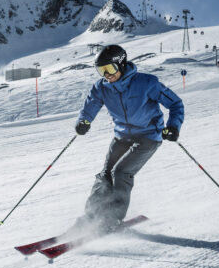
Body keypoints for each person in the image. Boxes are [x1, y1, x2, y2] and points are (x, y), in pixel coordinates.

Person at [73, 44, 184, 234]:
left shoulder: (147, 83)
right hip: (122, 135)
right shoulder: (102, 87)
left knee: (121, 172)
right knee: (105, 174)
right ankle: (91, 218)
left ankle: (112, 220)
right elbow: (90, 105)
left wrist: (173, 126)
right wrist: (84, 121)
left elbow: (175, 103)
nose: (106, 75)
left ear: (121, 65)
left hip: (149, 136)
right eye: (101, 70)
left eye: (109, 69)